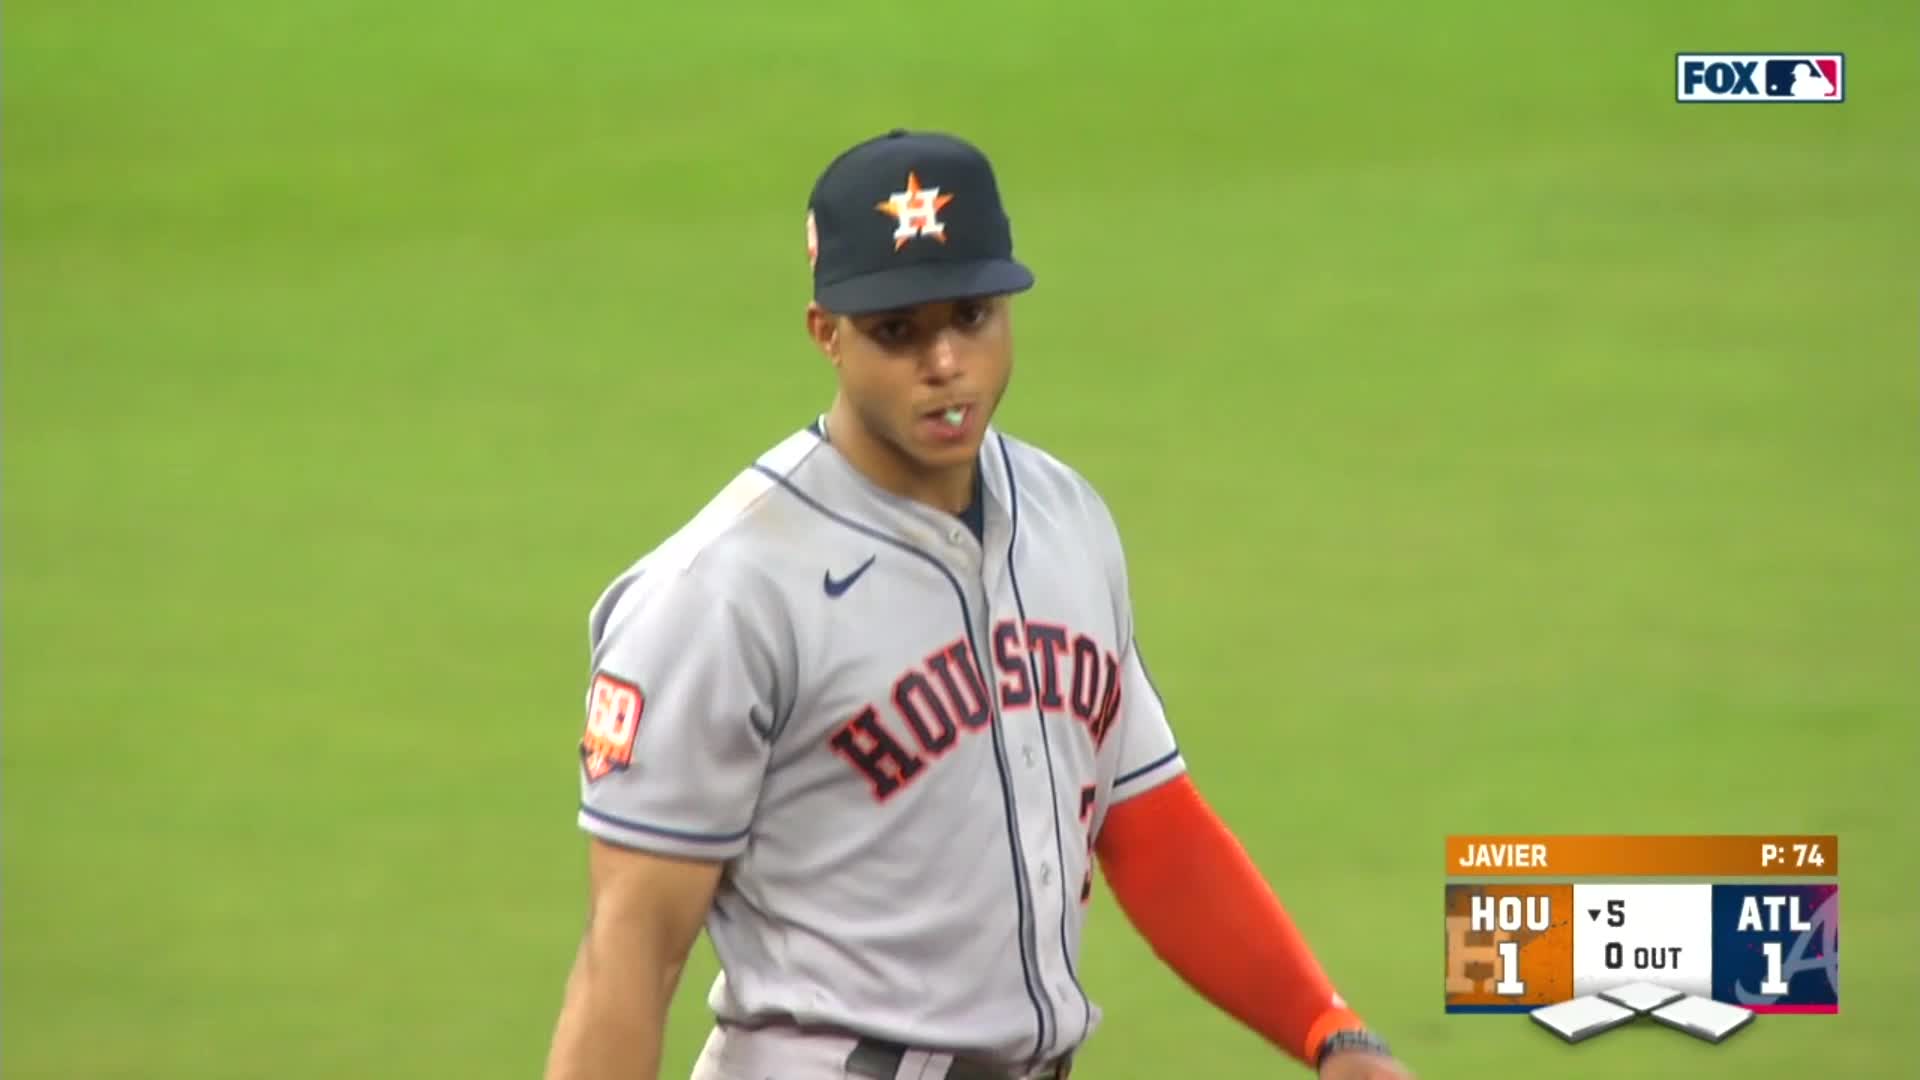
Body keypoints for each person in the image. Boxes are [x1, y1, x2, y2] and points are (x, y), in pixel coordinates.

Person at [540, 129, 1416, 1080]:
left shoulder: (1066, 517)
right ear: (825, 333)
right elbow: (630, 952)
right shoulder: (720, 595)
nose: (946, 362)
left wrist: (1329, 1032)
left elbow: (1148, 818)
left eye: (972, 315)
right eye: (898, 331)